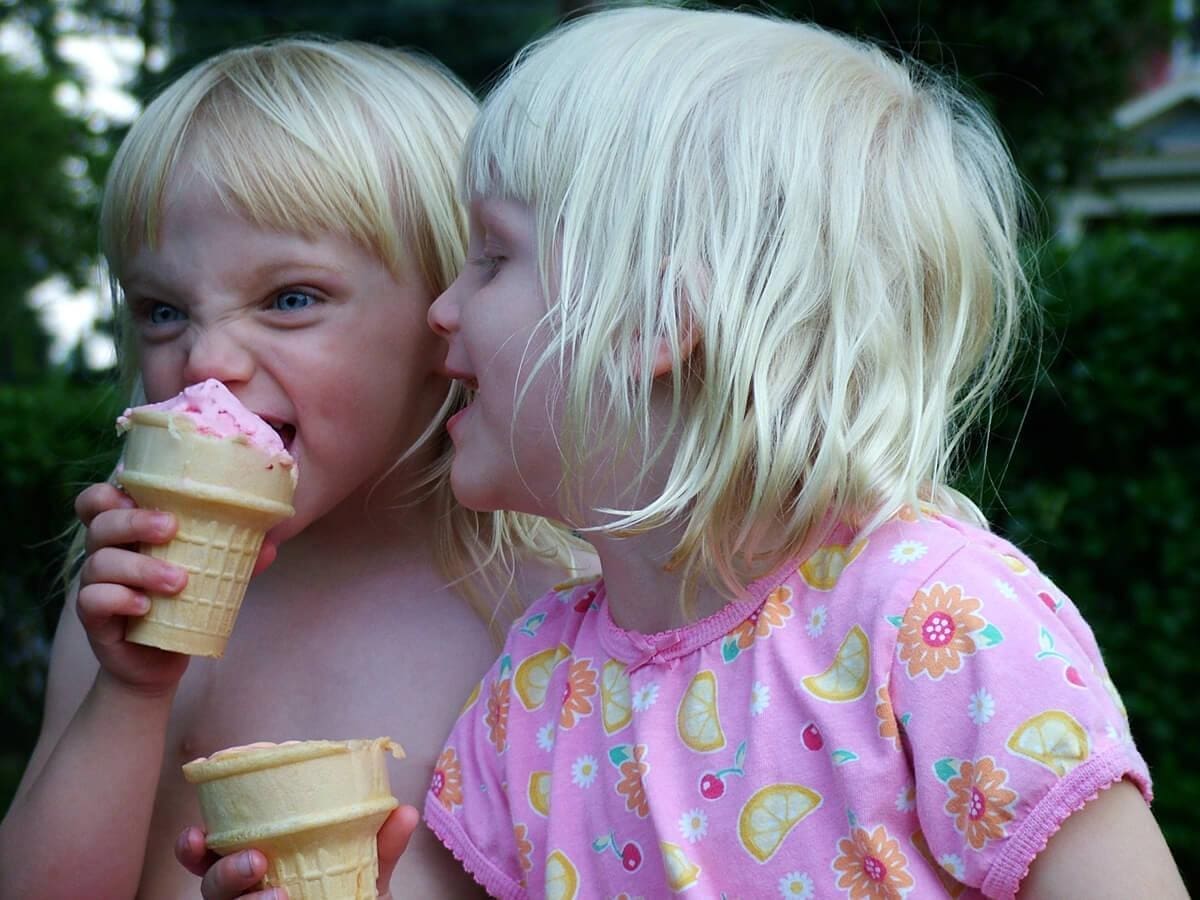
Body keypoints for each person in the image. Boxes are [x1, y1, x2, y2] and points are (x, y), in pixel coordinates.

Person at [417, 7, 1188, 898]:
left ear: (656, 322)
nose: (441, 308)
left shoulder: (936, 620)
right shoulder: (541, 680)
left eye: (490, 257)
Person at [0, 37, 581, 899]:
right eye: (163, 310)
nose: (207, 358)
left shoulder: (541, 609)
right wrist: (129, 692)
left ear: (446, 314)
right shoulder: (130, 594)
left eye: (289, 300)